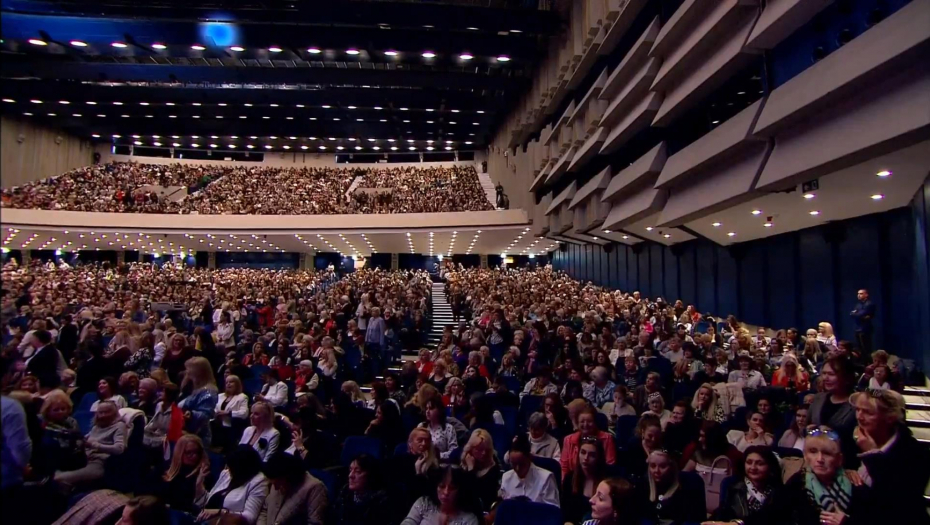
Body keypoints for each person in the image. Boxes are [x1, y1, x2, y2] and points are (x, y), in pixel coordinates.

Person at [851, 389, 930, 524]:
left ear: (890, 417)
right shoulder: (854, 440)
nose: (859, 417)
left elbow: (896, 502)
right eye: (857, 410)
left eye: (868, 412)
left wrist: (872, 454)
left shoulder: (916, 453)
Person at [783, 427, 874, 525]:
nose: (820, 459)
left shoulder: (855, 483)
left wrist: (845, 522)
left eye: (827, 453)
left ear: (839, 459)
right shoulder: (796, 483)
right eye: (813, 451)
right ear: (805, 455)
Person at [54, 399, 126, 491]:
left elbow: (119, 449)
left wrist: (96, 445)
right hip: (83, 458)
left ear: (115, 413)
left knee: (59, 478)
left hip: (99, 463)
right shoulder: (96, 427)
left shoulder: (119, 426)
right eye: (100, 412)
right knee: (53, 473)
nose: (103, 415)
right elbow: (85, 439)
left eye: (107, 412)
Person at [707, 446, 790, 525]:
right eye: (749, 463)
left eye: (760, 464)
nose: (753, 467)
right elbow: (722, 513)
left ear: (770, 466)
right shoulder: (733, 488)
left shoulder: (780, 492)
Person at [197, 445, 269, 524]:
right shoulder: (226, 474)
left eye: (232, 467)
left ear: (242, 468)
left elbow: (250, 517)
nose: (228, 470)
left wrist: (221, 512)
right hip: (205, 520)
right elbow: (208, 501)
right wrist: (199, 484)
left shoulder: (259, 481)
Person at [809, 356, 859, 466]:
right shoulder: (818, 399)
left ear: (846, 377)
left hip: (846, 464)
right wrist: (810, 431)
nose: (825, 378)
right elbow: (807, 428)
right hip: (816, 464)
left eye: (831, 374)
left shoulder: (857, 405)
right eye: (824, 373)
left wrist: (832, 434)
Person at [637, 449, 706, 524]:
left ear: (672, 467)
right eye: (653, 466)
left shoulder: (689, 485)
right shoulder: (643, 484)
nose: (656, 470)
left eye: (663, 466)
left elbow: (694, 519)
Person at [258, 452, 328, 525]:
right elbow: (264, 510)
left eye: (278, 483)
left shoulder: (314, 488)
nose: (275, 488)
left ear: (288, 477)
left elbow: (314, 522)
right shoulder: (276, 481)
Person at [401, 466, 480, 525]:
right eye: (442, 486)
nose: (446, 492)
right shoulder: (424, 503)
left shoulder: (469, 519)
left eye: (452, 488)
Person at [154, 434, 211, 514]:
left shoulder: (204, 473)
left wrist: (199, 484)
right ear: (179, 452)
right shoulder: (164, 469)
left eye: (197, 452)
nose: (194, 456)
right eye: (189, 452)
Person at [498, 434, 560, 507]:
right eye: (514, 464)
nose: (517, 469)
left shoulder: (546, 479)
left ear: (529, 458)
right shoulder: (506, 478)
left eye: (521, 464)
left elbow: (553, 510)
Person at [35, 389, 83, 476]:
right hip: (47, 458)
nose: (60, 412)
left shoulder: (72, 422)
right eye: (56, 410)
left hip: (68, 457)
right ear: (48, 410)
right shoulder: (40, 422)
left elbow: (78, 441)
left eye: (63, 409)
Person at [334, 454, 391, 525]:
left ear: (370, 475)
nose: (350, 475)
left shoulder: (380, 501)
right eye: (350, 470)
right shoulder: (345, 493)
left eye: (357, 471)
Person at [562, 436, 607, 524]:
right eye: (583, 452)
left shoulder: (607, 479)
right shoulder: (569, 478)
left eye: (592, 455)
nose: (586, 458)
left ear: (599, 457)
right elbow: (566, 515)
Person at [459, 429, 502, 512]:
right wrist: (469, 467)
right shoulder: (462, 465)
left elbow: (475, 493)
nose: (483, 453)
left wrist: (471, 469)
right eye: (479, 450)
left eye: (486, 450)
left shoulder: (493, 468)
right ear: (470, 449)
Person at [214, 375, 250, 451]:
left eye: (231, 382)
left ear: (237, 384)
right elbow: (214, 408)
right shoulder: (220, 396)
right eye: (226, 382)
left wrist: (228, 413)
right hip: (218, 424)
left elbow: (244, 413)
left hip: (232, 426)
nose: (228, 384)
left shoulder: (242, 397)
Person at [850, 289, 875, 354]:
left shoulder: (869, 304)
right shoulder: (858, 304)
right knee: (859, 348)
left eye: (861, 294)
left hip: (865, 328)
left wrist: (857, 313)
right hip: (857, 328)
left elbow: (860, 314)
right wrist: (857, 314)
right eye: (858, 294)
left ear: (866, 295)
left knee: (866, 347)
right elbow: (851, 314)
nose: (858, 295)